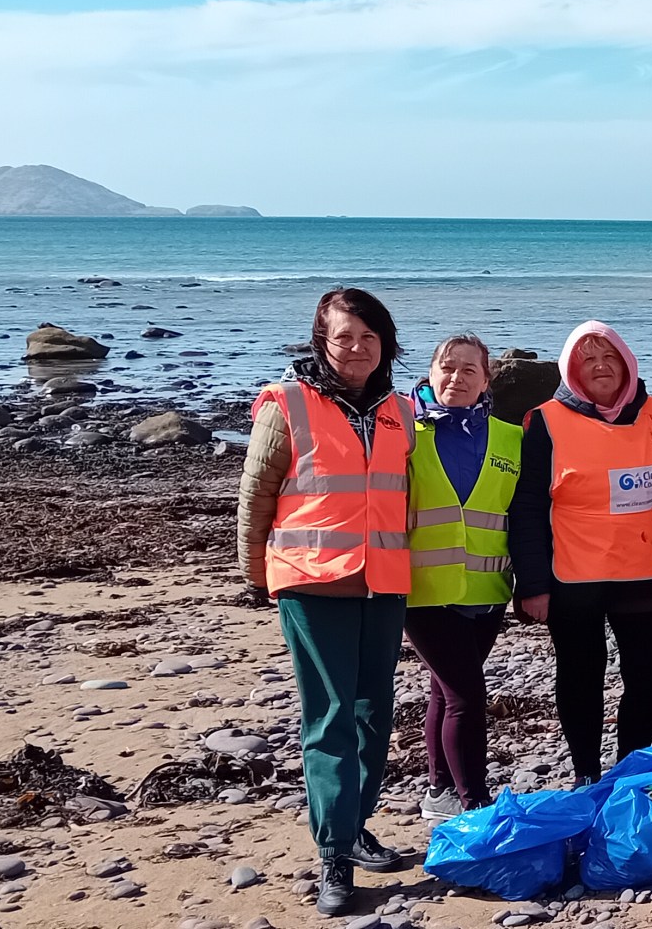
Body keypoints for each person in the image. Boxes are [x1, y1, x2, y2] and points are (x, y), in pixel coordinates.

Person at [235, 288, 414, 917]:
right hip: (311, 580)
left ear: (384, 342)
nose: (358, 348)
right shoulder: (287, 404)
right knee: (331, 714)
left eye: (369, 337)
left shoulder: (399, 410)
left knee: (375, 712)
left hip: (385, 579)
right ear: (322, 341)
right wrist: (255, 573)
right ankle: (334, 855)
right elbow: (257, 492)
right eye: (345, 337)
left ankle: (355, 823)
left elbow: (408, 495)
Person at [508, 320, 652, 785]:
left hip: (645, 572)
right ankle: (587, 775)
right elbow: (527, 507)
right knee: (580, 679)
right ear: (572, 370)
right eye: (587, 360)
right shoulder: (545, 420)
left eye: (609, 357)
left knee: (650, 679)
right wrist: (532, 584)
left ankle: (629, 768)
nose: (600, 366)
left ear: (627, 363)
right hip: (574, 578)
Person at [404, 334, 519, 820]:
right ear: (430, 373)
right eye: (447, 368)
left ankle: (439, 791)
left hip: (488, 592)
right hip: (423, 593)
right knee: (468, 698)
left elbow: (524, 515)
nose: (457, 378)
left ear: (486, 380)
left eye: (469, 370)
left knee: (445, 691)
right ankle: (475, 805)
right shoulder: (403, 431)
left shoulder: (512, 438)